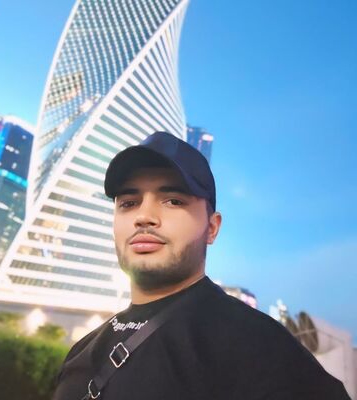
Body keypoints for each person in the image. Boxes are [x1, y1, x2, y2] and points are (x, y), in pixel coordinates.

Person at [53, 131, 350, 400]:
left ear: (212, 227)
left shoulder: (256, 345)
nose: (144, 217)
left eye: (173, 201)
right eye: (129, 203)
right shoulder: (84, 349)